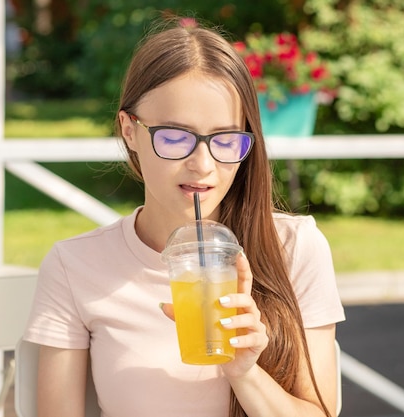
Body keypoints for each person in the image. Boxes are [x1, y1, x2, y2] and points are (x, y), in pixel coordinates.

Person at [22, 16, 345, 417]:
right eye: (175, 138)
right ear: (129, 130)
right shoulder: (75, 266)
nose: (203, 165)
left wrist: (244, 372)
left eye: (226, 139)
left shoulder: (294, 247)